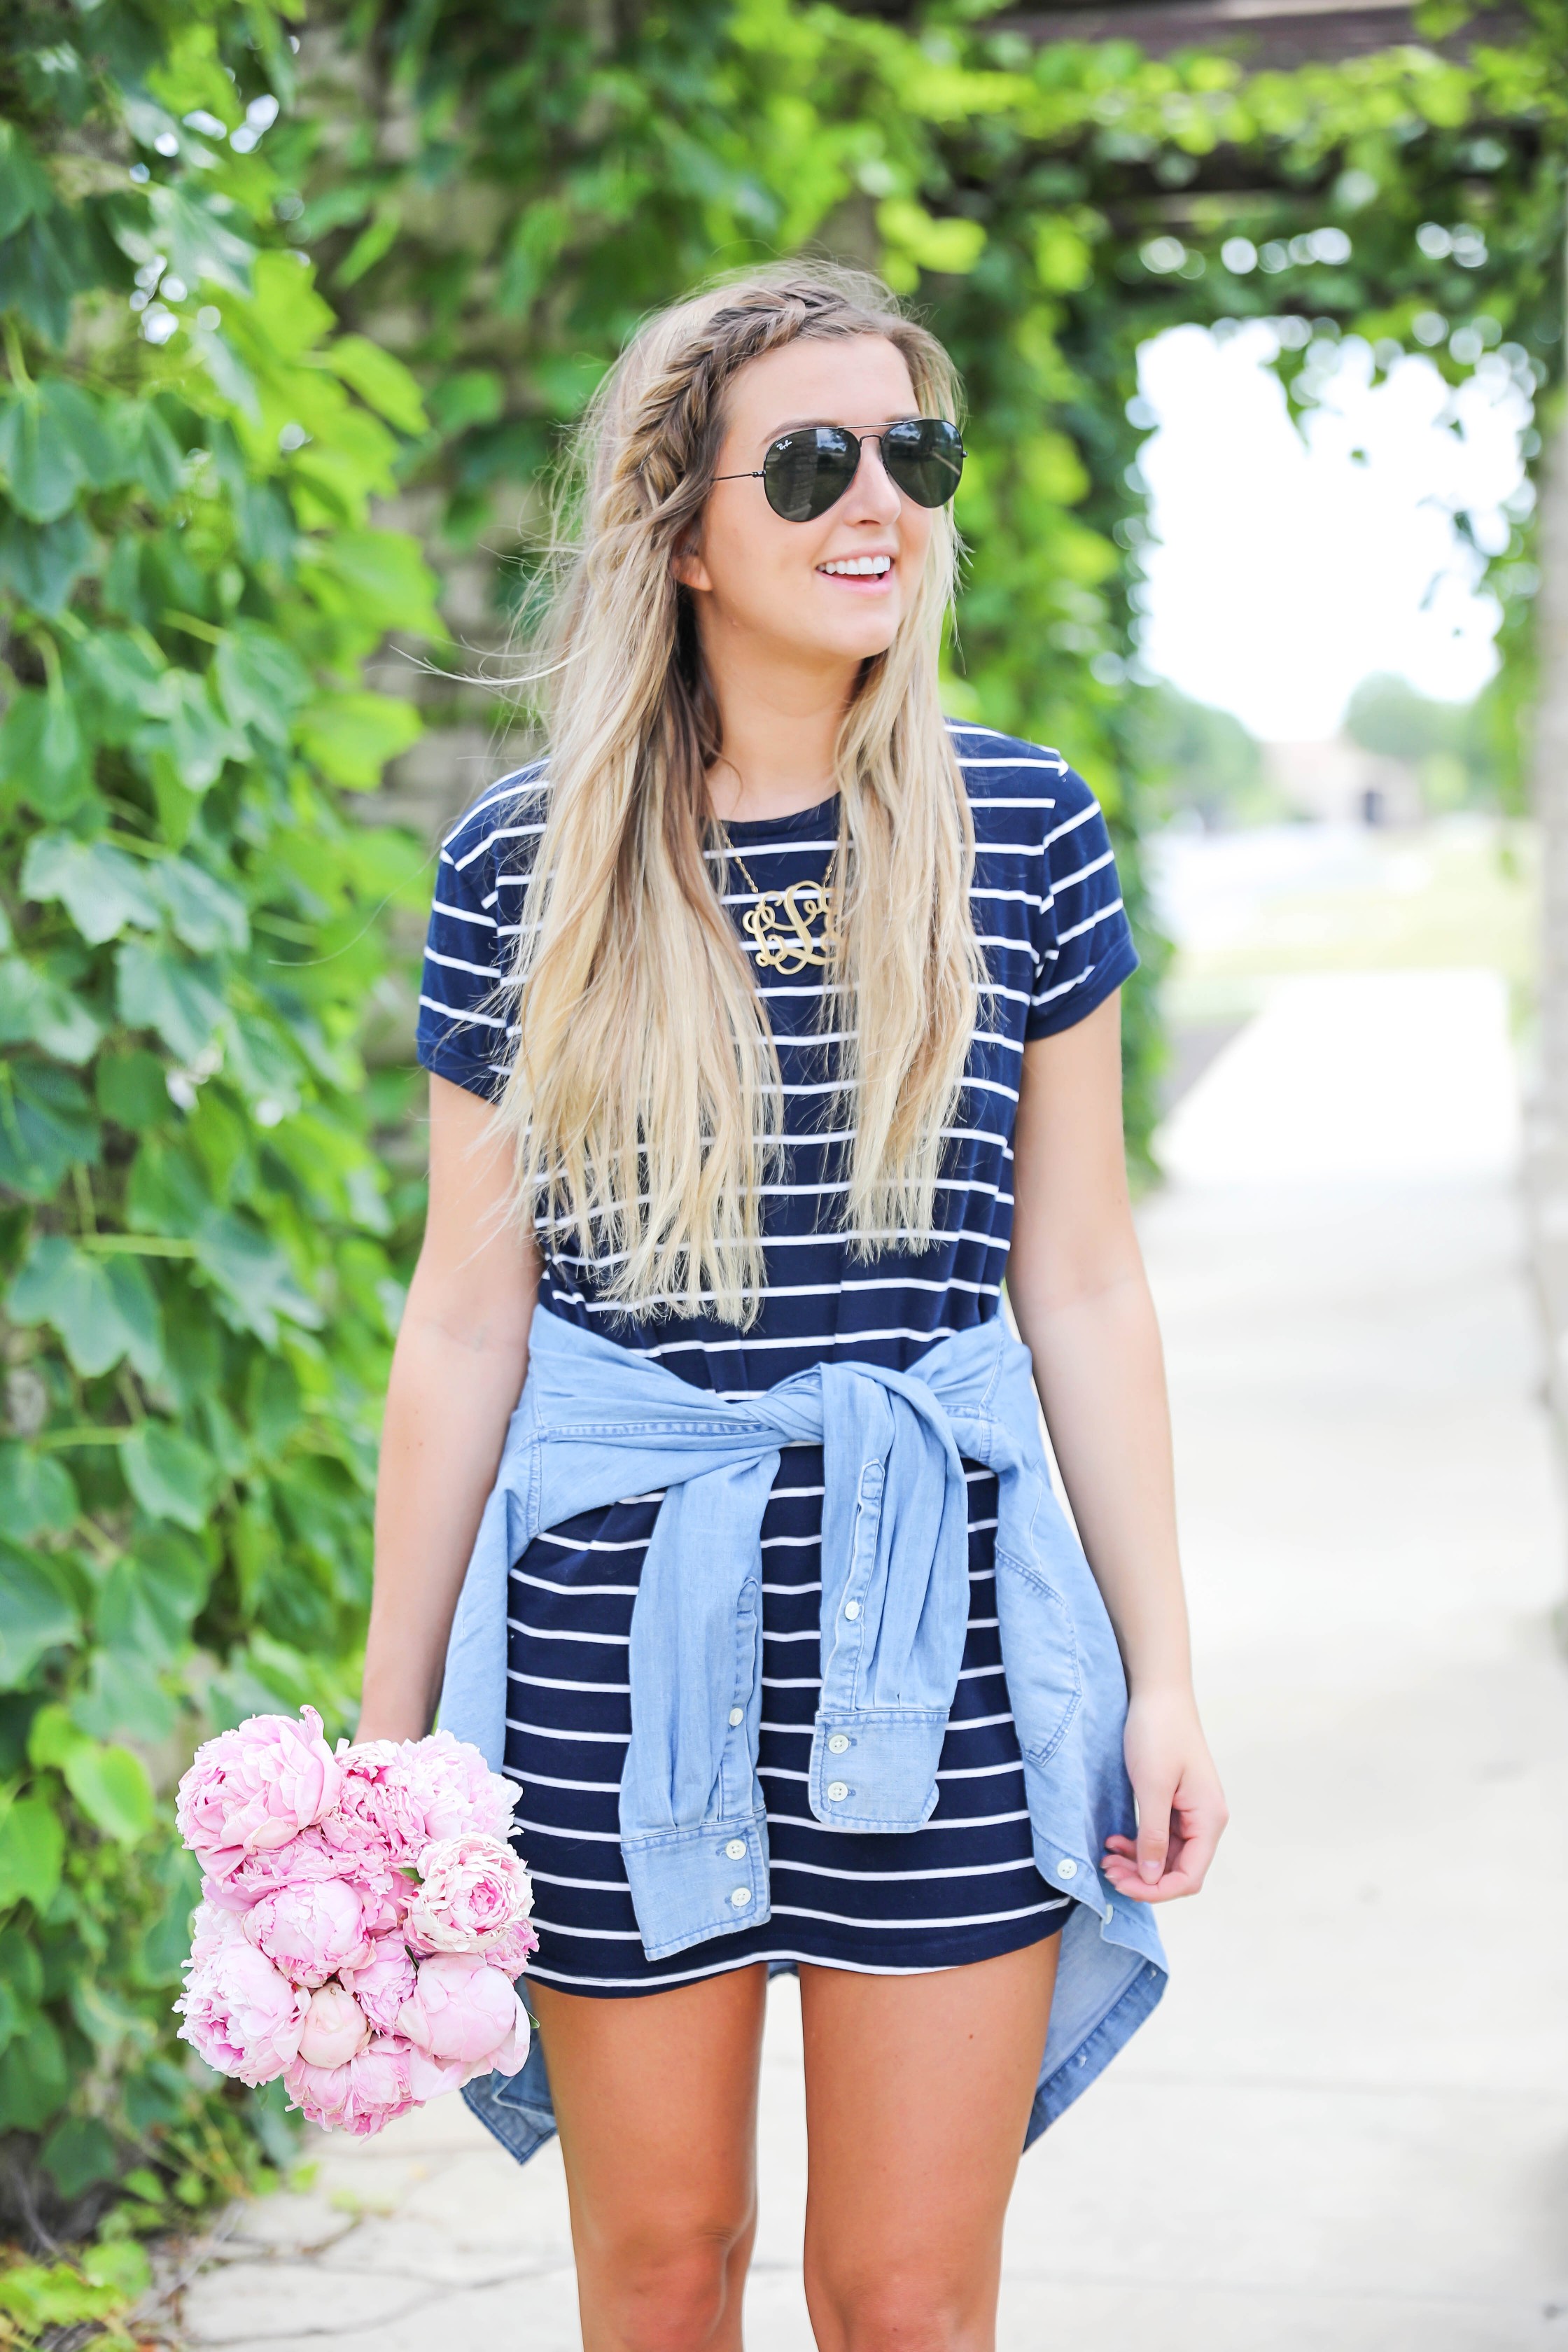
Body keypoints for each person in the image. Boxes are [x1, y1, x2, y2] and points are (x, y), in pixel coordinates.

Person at [357, 263, 1227, 2352]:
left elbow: (1083, 1282)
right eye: (817, 460)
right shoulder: (526, 871)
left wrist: (1168, 1675)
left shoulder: (1023, 834)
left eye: (912, 456)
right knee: (658, 2284)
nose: (881, 505)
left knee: (905, 2300)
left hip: (944, 1644)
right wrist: (393, 1739)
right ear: (679, 527)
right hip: (605, 1633)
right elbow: (465, 1324)